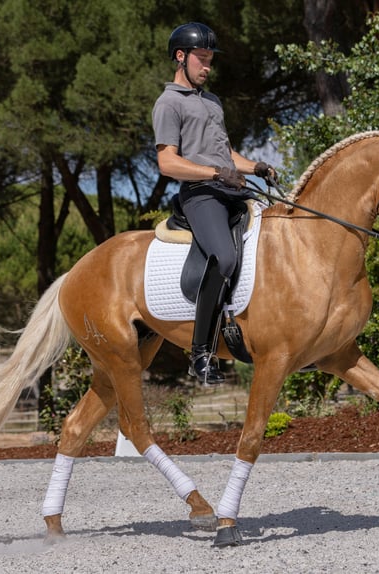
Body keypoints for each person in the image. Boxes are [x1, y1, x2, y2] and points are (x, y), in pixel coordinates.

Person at [152, 22, 276, 384]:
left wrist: (256, 166)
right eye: (201, 60)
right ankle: (201, 354)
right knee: (224, 257)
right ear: (181, 57)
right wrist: (212, 174)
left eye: (209, 61)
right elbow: (167, 162)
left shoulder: (212, 101)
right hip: (201, 195)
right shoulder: (168, 103)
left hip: (231, 189)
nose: (207, 67)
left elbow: (227, 154)